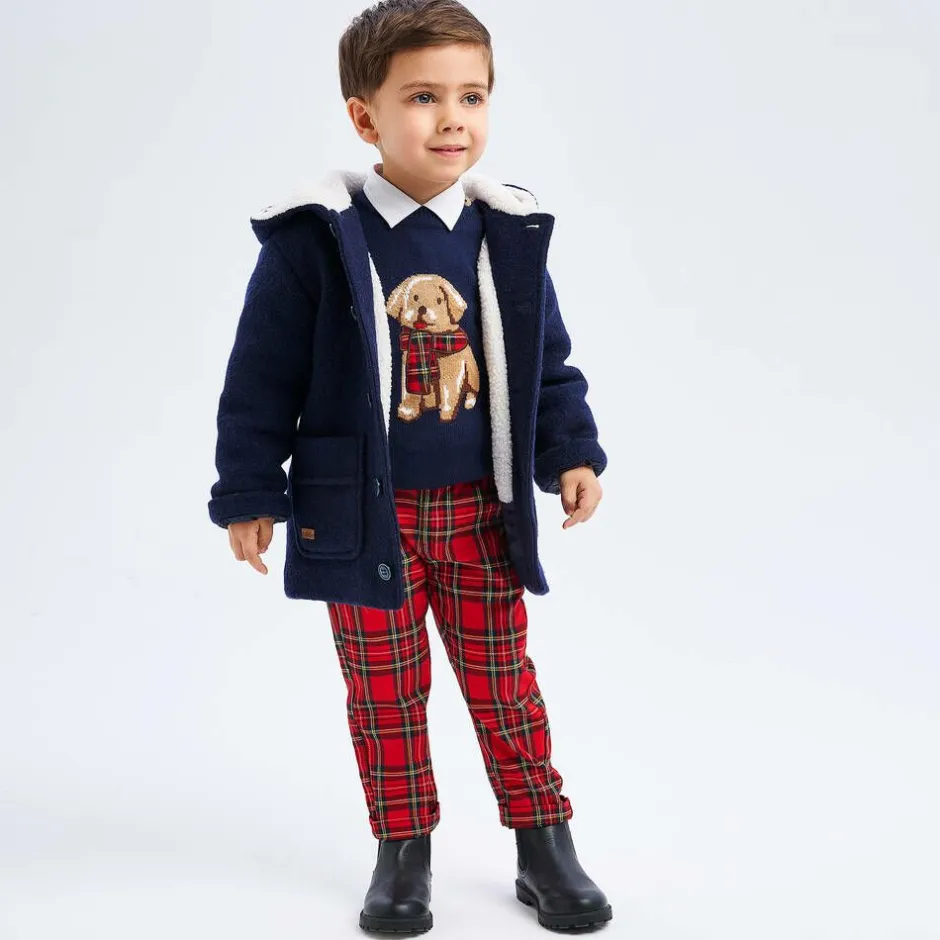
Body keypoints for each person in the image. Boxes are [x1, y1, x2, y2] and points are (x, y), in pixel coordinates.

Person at [207, 0, 611, 932]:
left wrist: (570, 452)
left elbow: (546, 361)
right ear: (366, 117)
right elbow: (260, 376)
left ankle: (544, 841)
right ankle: (403, 852)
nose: (452, 118)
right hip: (361, 517)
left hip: (479, 512)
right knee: (384, 694)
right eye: (424, 97)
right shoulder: (318, 238)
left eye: (472, 96)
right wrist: (249, 490)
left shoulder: (504, 231)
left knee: (504, 682)